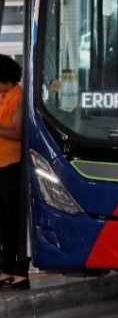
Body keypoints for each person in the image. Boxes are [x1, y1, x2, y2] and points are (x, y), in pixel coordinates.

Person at [0, 55, 28, 290]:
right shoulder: (4, 96)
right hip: (2, 165)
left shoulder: (17, 97)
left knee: (10, 220)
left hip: (11, 166)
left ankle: (13, 269)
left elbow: (18, 133)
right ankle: (5, 267)